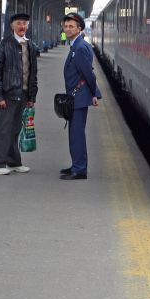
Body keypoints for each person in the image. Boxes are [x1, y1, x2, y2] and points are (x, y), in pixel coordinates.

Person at [0, 12, 38, 175]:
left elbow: (33, 74)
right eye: (19, 23)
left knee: (16, 129)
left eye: (25, 23)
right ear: (12, 26)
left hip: (23, 94)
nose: (22, 26)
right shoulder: (4, 45)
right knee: (3, 129)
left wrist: (32, 97)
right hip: (8, 94)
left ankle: (14, 161)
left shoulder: (30, 46)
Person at [60, 12, 101, 180]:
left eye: (71, 26)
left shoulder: (81, 47)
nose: (68, 29)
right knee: (73, 133)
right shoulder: (75, 45)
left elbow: (88, 74)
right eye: (66, 26)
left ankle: (80, 169)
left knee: (77, 133)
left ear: (79, 28)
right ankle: (76, 165)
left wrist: (95, 93)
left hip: (79, 96)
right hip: (75, 96)